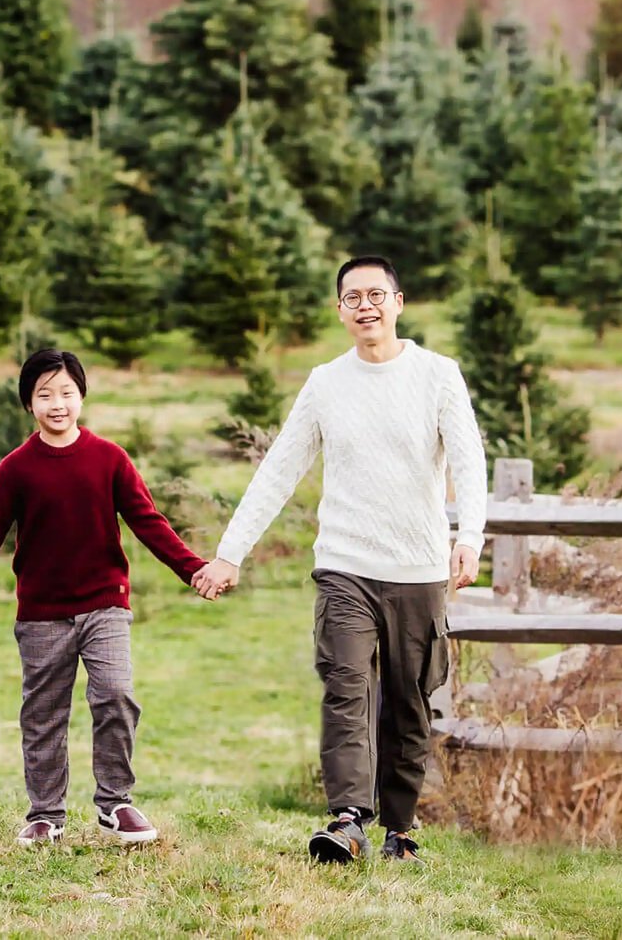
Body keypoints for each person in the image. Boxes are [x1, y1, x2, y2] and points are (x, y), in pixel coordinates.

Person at [195, 255, 486, 864]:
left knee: (409, 701)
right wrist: (230, 553)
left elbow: (467, 460)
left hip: (417, 568)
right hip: (345, 564)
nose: (365, 306)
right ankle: (348, 819)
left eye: (376, 294)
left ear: (399, 302)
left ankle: (400, 830)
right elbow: (279, 469)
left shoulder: (437, 375)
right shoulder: (327, 382)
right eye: (352, 298)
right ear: (340, 311)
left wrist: (469, 537)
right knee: (345, 687)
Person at [0, 348, 207, 847]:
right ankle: (46, 813)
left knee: (115, 694)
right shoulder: (16, 468)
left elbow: (148, 523)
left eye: (66, 393)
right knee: (44, 712)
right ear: (29, 403)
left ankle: (115, 804)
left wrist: (193, 569)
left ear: (81, 397)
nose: (57, 404)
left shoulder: (109, 458)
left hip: (105, 603)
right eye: (45, 394)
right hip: (43, 614)